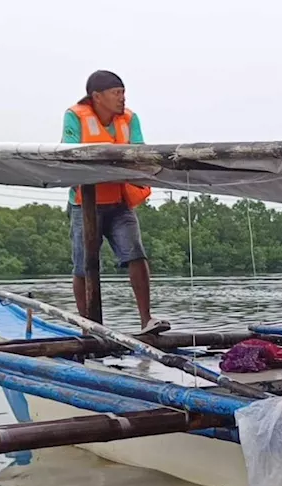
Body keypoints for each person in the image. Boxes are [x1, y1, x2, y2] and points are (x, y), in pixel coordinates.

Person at [63, 70, 168, 334]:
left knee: (136, 254)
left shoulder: (130, 119)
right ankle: (88, 324)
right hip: (84, 203)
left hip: (120, 201)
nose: (122, 98)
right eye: (116, 93)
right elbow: (68, 153)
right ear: (97, 97)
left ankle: (147, 319)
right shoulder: (75, 116)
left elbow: (140, 152)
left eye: (123, 93)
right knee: (83, 262)